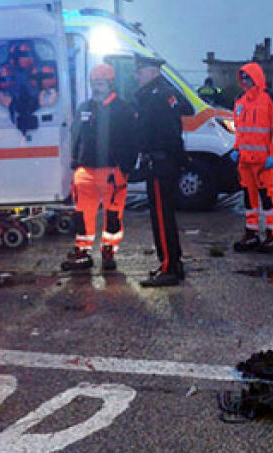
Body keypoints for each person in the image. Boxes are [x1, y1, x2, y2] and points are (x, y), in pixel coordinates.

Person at [61, 63, 138, 272]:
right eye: (94, 82)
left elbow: (133, 141)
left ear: (110, 84)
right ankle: (83, 252)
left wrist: (126, 168)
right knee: (82, 215)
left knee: (113, 215)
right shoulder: (84, 108)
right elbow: (75, 137)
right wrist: (75, 163)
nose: (97, 86)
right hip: (85, 172)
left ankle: (109, 251)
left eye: (101, 82)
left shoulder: (123, 109)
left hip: (113, 172)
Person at [131, 54, 188, 287]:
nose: (136, 76)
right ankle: (173, 263)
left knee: (162, 219)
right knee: (165, 217)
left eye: (140, 71)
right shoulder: (163, 94)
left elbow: (165, 135)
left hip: (159, 164)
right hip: (164, 163)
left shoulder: (156, 97)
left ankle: (168, 268)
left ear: (153, 72)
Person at [230, 62, 273, 254]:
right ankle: (251, 233)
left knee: (267, 198)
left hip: (263, 161)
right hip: (245, 160)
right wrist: (236, 149)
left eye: (248, 78)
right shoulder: (240, 101)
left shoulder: (270, 99)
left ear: (256, 78)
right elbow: (240, 131)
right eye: (243, 78)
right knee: (249, 199)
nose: (245, 82)